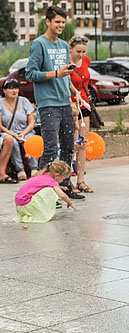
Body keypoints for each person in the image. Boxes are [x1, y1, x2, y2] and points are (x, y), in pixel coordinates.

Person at [26, 6, 85, 200]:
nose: (60, 25)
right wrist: (56, 74)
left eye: (63, 22)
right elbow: (30, 73)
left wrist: (74, 90)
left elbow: (65, 74)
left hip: (64, 103)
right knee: (51, 149)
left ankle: (65, 186)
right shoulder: (39, 44)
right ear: (48, 22)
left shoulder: (62, 45)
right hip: (48, 104)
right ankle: (45, 192)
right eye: (57, 22)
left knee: (68, 147)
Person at [68, 36, 93, 193]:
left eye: (84, 51)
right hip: (71, 105)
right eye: (78, 51)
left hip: (84, 104)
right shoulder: (66, 62)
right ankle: (67, 179)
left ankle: (81, 180)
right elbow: (65, 82)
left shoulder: (86, 61)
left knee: (83, 143)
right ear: (71, 49)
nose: (81, 55)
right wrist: (74, 95)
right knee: (72, 144)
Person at [0, 79, 37, 181]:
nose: (14, 91)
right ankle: (20, 169)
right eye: (11, 88)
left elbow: (31, 123)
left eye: (16, 88)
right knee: (14, 143)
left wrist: (23, 133)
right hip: (8, 132)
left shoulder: (24, 101)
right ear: (4, 90)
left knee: (31, 140)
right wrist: (13, 134)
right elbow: (0, 126)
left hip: (25, 131)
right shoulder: (1, 104)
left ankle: (34, 168)